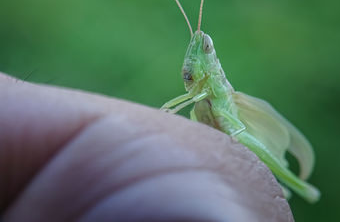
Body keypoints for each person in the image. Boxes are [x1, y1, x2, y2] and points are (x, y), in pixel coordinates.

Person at [0, 72, 293, 222]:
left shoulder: (214, 88)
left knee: (240, 143)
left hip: (237, 130)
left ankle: (294, 185)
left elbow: (188, 102)